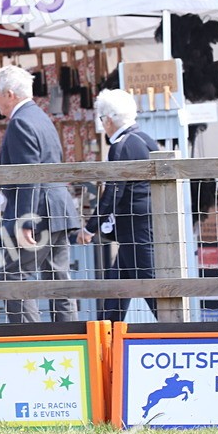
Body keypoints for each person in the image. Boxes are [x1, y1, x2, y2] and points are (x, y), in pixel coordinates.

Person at [0, 64, 79, 323]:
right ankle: (69, 338)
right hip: (57, 208)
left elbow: (28, 175)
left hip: (36, 211)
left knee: (15, 278)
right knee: (58, 279)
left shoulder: (20, 123)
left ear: (9, 94)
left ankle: (26, 341)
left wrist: (26, 221)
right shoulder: (40, 117)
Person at [76, 89, 160, 322]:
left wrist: (90, 227)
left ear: (109, 119)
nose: (103, 125)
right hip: (143, 224)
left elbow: (114, 192)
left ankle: (180, 336)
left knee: (151, 287)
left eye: (102, 120)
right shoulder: (146, 140)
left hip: (136, 228)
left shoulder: (121, 145)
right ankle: (107, 335)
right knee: (117, 288)